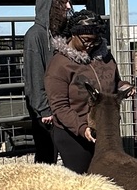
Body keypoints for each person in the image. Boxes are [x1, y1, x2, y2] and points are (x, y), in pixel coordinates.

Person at [44, 10, 121, 173]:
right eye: (86, 40)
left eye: (95, 40)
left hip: (102, 129)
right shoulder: (60, 64)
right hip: (74, 135)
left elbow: (115, 82)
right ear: (73, 34)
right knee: (82, 181)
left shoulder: (105, 57)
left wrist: (124, 87)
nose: (90, 45)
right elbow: (59, 106)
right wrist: (82, 128)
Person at [23, 0, 72, 164]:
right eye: (63, 2)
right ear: (51, 4)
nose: (68, 6)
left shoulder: (61, 33)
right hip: (47, 112)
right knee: (46, 158)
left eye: (69, 2)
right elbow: (34, 75)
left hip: (62, 107)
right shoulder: (35, 35)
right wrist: (44, 109)